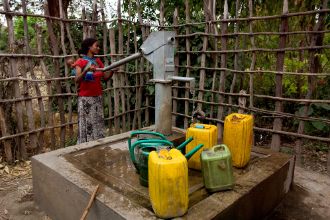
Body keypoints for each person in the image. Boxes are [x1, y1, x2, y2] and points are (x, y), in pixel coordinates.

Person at [74, 38, 114, 144]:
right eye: (96, 46)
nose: (98, 48)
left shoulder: (98, 62)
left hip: (97, 97)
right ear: (89, 47)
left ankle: (97, 144)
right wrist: (86, 70)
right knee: (88, 123)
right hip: (86, 98)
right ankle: (86, 145)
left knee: (97, 122)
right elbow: (77, 80)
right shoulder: (80, 62)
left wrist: (112, 71)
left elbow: (105, 77)